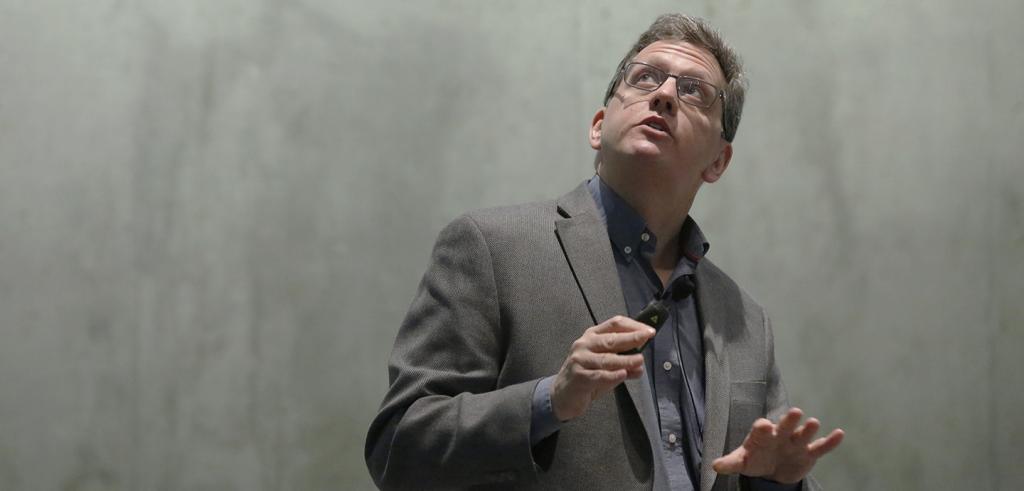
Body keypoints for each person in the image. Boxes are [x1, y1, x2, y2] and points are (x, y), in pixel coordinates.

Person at [365, 13, 844, 491]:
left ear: (718, 161)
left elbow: (767, 467)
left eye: (694, 89)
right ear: (598, 126)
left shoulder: (746, 320)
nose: (663, 95)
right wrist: (549, 400)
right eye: (645, 78)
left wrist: (779, 484)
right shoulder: (491, 248)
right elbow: (398, 450)